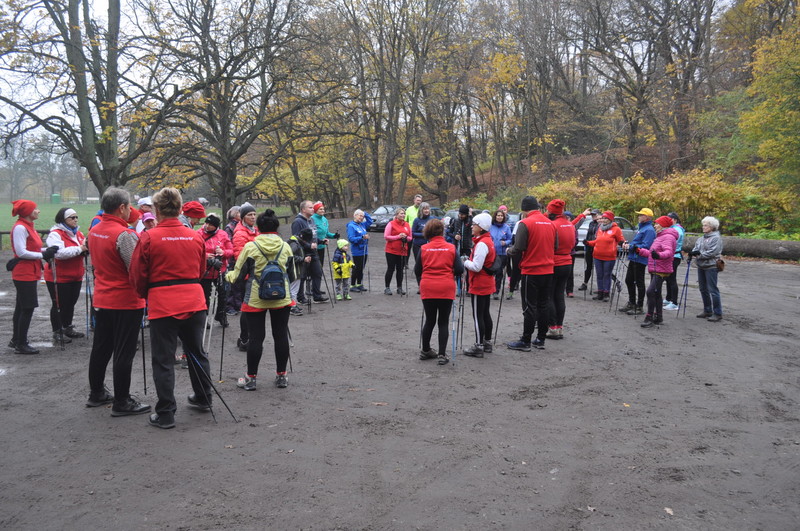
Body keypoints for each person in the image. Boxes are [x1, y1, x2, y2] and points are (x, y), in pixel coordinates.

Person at [129, 187, 212, 429]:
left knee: (163, 359)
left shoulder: (149, 237)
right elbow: (200, 269)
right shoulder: (195, 236)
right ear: (179, 208)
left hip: (164, 302)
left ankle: (166, 412)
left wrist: (148, 293)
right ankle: (204, 396)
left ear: (157, 209)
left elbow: (137, 275)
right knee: (196, 351)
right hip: (193, 299)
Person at [86, 187, 151, 417]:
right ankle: (122, 401)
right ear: (122, 208)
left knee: (101, 348)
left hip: (103, 297)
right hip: (125, 300)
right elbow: (135, 269)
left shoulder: (94, 230)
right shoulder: (125, 235)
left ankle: (96, 393)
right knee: (124, 351)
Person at [225, 209, 295, 390]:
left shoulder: (251, 247)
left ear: (259, 227)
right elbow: (293, 275)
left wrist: (226, 275)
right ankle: (281, 376)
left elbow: (238, 276)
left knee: (256, 338)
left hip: (256, 298)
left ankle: (251, 378)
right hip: (281, 298)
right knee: (280, 336)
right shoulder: (285, 246)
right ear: (276, 227)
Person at [506, 196, 556, 352]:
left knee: (529, 306)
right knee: (544, 304)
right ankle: (541, 339)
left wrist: (509, 250)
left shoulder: (525, 223)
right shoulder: (550, 223)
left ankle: (526, 340)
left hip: (531, 270)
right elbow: (556, 245)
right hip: (548, 270)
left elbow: (518, 247)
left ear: (524, 209)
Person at [9, 200, 58, 354]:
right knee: (27, 307)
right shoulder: (20, 228)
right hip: (23, 272)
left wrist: (47, 250)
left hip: (29, 270)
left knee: (21, 306)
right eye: (35, 209)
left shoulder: (28, 227)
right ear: (28, 212)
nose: (38, 211)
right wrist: (43, 254)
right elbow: (21, 252)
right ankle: (21, 343)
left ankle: (16, 339)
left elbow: (32, 248)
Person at [415, 219, 464, 365]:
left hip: (428, 286)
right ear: (442, 231)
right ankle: (442, 354)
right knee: (443, 321)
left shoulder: (424, 249)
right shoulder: (450, 248)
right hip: (445, 286)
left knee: (429, 320)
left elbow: (417, 270)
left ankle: (425, 350)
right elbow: (460, 269)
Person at [44, 207, 88, 344]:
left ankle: (67, 326)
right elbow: (59, 253)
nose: (75, 220)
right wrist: (80, 249)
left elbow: (84, 247)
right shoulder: (55, 234)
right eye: (72, 217)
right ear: (63, 219)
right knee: (59, 303)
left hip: (76, 274)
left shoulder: (78, 234)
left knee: (71, 303)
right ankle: (57, 331)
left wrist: (86, 250)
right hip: (59, 275)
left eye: (76, 217)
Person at [462, 212, 497, 357]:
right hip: (486, 282)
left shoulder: (482, 243)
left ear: (481, 228)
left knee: (478, 316)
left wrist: (465, 261)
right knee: (485, 313)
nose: (472, 226)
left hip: (479, 283)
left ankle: (478, 346)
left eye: (475, 225)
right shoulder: (485, 240)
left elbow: (476, 266)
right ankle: (487, 342)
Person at [633, 215, 678, 328]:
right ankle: (658, 317)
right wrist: (640, 251)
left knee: (651, 291)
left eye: (657, 224)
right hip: (655, 268)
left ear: (663, 226)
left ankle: (649, 317)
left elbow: (668, 253)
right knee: (656, 293)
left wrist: (658, 255)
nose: (655, 225)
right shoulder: (660, 236)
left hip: (661, 270)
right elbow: (651, 253)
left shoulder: (668, 237)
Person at [546, 200, 576, 340]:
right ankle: (559, 327)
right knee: (559, 295)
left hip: (555, 262)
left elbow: (550, 245)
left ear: (552, 212)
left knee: (550, 295)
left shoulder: (553, 225)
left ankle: (552, 328)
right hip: (567, 262)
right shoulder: (569, 224)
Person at [198, 213, 233, 326]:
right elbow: (195, 251)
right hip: (205, 270)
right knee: (204, 295)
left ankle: (221, 315)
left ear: (216, 226)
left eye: (210, 224)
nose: (207, 226)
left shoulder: (222, 234)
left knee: (223, 294)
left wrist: (223, 253)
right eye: (206, 223)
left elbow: (231, 250)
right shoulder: (198, 234)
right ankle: (204, 317)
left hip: (220, 270)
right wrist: (206, 256)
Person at [232, 202, 258, 350]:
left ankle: (251, 336)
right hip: (247, 275)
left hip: (257, 274)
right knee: (247, 308)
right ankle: (244, 338)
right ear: (242, 217)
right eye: (249, 215)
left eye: (254, 214)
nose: (253, 217)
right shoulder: (240, 233)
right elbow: (240, 256)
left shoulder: (255, 230)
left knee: (254, 308)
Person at [292, 200, 328, 304]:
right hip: (302, 253)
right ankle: (300, 297)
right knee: (302, 276)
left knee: (318, 272)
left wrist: (321, 241)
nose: (313, 209)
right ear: (303, 209)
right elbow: (295, 238)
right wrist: (308, 245)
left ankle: (316, 295)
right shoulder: (297, 222)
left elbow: (313, 236)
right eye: (310, 208)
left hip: (314, 251)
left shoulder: (311, 220)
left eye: (313, 207)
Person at [621, 208, 655, 315]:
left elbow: (646, 246)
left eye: (641, 215)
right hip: (634, 257)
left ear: (647, 217)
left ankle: (639, 306)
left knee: (639, 282)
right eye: (639, 214)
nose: (639, 216)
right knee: (629, 280)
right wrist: (629, 245)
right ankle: (632, 302)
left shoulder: (649, 230)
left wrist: (631, 246)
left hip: (640, 259)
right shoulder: (642, 227)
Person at [690, 216, 724, 322]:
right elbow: (696, 248)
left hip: (712, 266)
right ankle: (707, 310)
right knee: (703, 289)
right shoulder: (701, 238)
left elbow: (712, 252)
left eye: (706, 225)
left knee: (713, 290)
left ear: (712, 227)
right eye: (703, 225)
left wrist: (698, 255)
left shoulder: (716, 238)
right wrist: (693, 252)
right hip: (701, 266)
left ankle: (718, 313)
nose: (703, 227)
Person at [585, 211, 625, 301]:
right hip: (597, 255)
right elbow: (597, 241)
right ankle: (600, 292)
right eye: (602, 218)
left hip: (609, 257)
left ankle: (606, 293)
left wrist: (623, 244)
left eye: (605, 218)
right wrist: (588, 243)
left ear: (610, 219)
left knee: (607, 275)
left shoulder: (616, 229)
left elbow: (621, 240)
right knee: (599, 275)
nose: (603, 220)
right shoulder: (600, 228)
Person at [383, 207, 411, 295]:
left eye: (404, 214)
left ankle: (399, 287)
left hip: (403, 250)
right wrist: (398, 236)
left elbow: (410, 237)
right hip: (391, 251)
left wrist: (405, 238)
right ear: (396, 215)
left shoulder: (407, 224)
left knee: (400, 269)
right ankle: (387, 287)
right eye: (401, 213)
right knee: (391, 269)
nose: (403, 215)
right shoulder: (391, 224)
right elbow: (386, 236)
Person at [663, 212, 685, 311]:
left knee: (672, 278)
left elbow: (673, 241)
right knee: (668, 278)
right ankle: (668, 298)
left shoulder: (677, 230)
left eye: (670, 219)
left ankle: (674, 302)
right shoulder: (671, 228)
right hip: (671, 256)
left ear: (675, 220)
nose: (668, 220)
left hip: (675, 256)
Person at [347, 209, 373, 292]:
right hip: (357, 250)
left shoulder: (362, 225)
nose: (361, 218)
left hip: (364, 250)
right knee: (356, 268)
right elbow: (351, 239)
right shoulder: (351, 226)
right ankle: (352, 285)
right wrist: (362, 237)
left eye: (362, 216)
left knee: (361, 268)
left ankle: (359, 284)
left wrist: (365, 213)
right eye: (360, 216)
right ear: (355, 215)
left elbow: (370, 221)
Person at [489, 209, 512, 300]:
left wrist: (505, 243)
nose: (499, 217)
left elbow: (510, 239)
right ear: (495, 216)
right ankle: (489, 288)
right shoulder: (490, 227)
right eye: (498, 215)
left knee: (499, 272)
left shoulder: (506, 227)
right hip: (491, 253)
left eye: (501, 216)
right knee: (490, 271)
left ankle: (496, 291)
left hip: (502, 253)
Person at [577, 209, 601, 291]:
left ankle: (601, 287)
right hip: (589, 247)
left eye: (594, 215)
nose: (593, 216)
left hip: (598, 247)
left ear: (598, 215)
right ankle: (585, 283)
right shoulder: (591, 223)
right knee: (588, 266)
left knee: (599, 268)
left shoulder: (601, 224)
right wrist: (586, 242)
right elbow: (589, 234)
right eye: (592, 215)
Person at [411, 202, 434, 286]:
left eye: (427, 209)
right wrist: (423, 235)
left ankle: (428, 284)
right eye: (424, 209)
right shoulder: (417, 220)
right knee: (419, 264)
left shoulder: (432, 219)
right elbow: (412, 233)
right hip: (418, 246)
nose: (426, 210)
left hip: (430, 246)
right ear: (421, 210)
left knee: (429, 265)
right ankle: (420, 285)